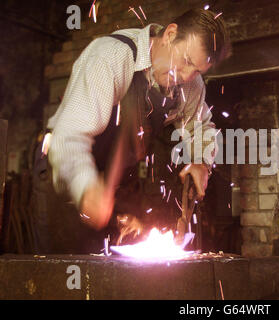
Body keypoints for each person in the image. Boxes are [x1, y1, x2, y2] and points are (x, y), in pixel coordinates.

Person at [41, 8, 231, 251]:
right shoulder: (110, 58)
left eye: (197, 71)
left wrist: (202, 162)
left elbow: (201, 128)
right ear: (170, 34)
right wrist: (86, 188)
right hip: (67, 174)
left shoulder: (190, 84)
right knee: (69, 275)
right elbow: (69, 137)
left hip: (117, 185)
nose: (186, 76)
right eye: (185, 62)